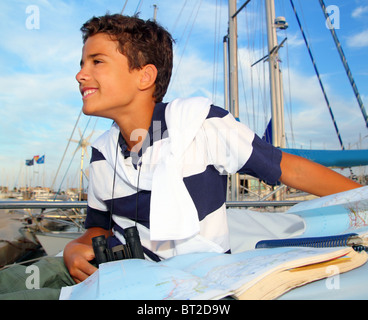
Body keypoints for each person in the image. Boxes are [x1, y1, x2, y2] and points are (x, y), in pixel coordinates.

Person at [0, 14, 361, 299]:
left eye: (97, 62)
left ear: (145, 76)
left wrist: (362, 202)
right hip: (107, 272)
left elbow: (289, 168)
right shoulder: (100, 152)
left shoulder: (202, 125)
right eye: (82, 62)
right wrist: (75, 249)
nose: (80, 74)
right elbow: (98, 226)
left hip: (182, 284)